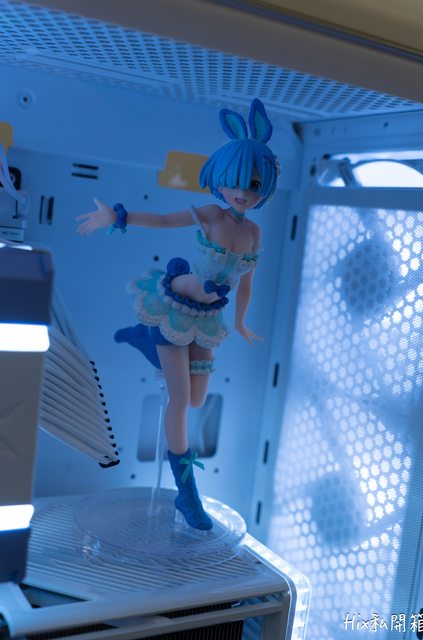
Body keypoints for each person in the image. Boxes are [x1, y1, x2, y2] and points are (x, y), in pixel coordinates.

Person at [76, 98, 279, 531]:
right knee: (182, 401)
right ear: (221, 178)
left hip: (210, 317)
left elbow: (246, 283)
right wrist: (119, 216)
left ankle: (145, 341)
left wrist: (241, 322)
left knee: (199, 399)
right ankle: (187, 495)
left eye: (254, 184)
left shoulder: (254, 232)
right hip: (178, 306)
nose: (244, 192)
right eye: (237, 181)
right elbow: (166, 220)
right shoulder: (211, 215)